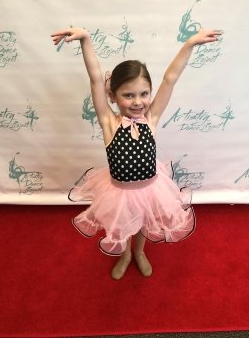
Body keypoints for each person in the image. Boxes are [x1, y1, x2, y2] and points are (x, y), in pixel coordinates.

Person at [51, 27, 221, 280]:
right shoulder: (109, 123)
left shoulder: (150, 118)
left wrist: (190, 44)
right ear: (113, 96)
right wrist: (86, 39)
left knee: (143, 221)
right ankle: (125, 254)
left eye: (143, 94)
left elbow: (170, 78)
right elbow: (96, 78)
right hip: (120, 192)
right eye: (128, 95)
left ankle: (139, 251)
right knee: (124, 223)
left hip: (150, 188)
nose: (138, 101)